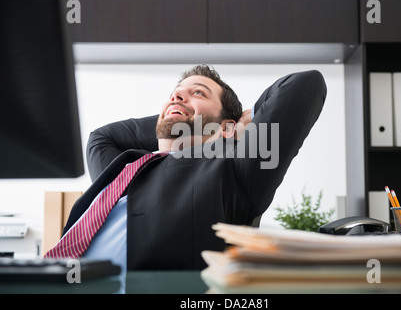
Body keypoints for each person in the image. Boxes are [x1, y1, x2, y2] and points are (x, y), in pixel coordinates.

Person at [54, 65, 327, 274]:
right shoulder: (124, 170)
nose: (177, 94)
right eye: (175, 93)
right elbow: (102, 137)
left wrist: (236, 124)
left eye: (198, 92)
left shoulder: (235, 168)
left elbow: (305, 84)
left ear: (228, 127)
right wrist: (178, 112)